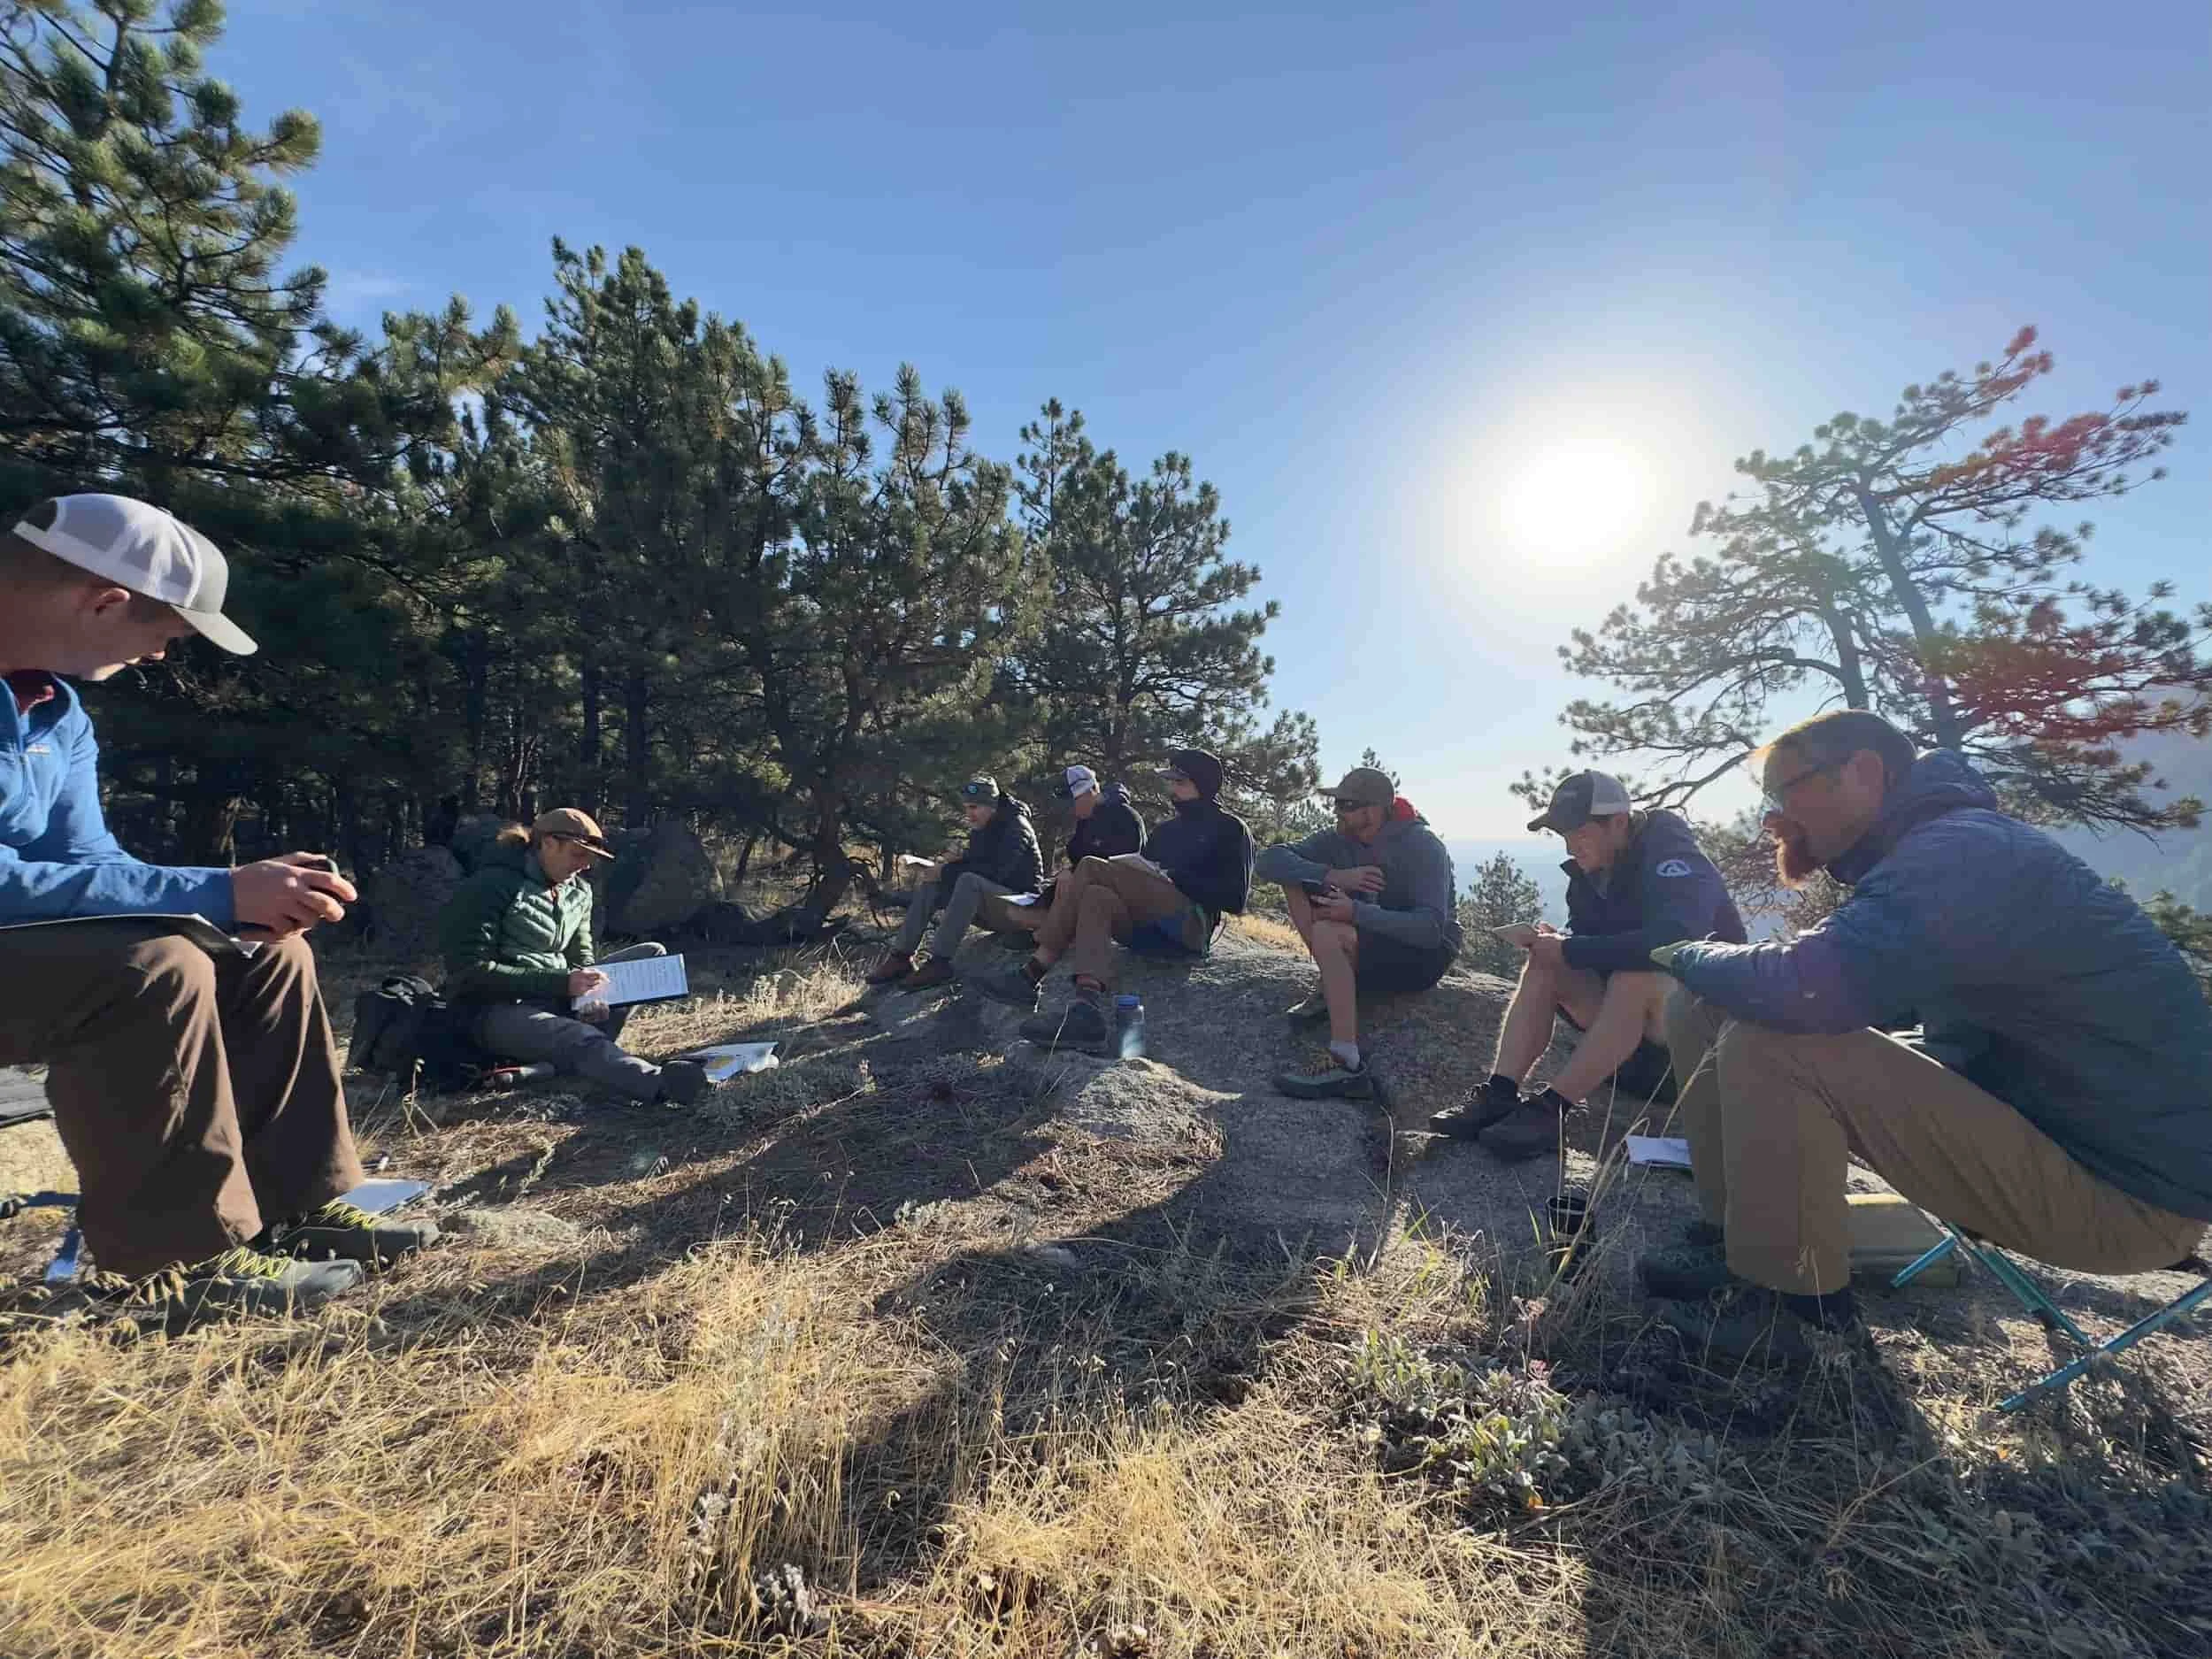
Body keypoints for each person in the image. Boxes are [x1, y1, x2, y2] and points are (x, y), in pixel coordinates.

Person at [1641, 710, 2212, 1362]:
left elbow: (1801, 985)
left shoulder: (1958, 852)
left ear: (1863, 772)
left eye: (1786, 790)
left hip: (2128, 1197)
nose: (1774, 817)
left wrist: (1687, 950)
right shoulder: (1946, 848)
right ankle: (1737, 1243)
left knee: (1776, 1041)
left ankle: (1799, 1328)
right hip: (2055, 1136)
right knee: (1702, 1007)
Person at [0, 494, 437, 1324]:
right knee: (150, 969)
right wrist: (214, 892)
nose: (167, 652)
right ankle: (175, 1260)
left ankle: (300, 1205)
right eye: (170, 630)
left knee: (264, 954)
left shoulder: (58, 709)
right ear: (105, 601)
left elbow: (89, 865)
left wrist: (236, 905)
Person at [1428, 769, 1744, 1159]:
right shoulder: (1591, 874)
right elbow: (1588, 940)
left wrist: (1572, 949)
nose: (1570, 846)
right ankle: (1500, 1093)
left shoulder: (1671, 854)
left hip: (1695, 1056)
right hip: (1630, 1051)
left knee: (1636, 976)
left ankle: (1552, 1110)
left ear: (1618, 822)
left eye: (1579, 832)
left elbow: (1675, 939)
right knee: (1546, 964)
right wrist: (1560, 942)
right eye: (1564, 835)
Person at [975, 748, 1254, 1051]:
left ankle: (1033, 971)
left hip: (1190, 927)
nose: (1172, 788)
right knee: (1097, 895)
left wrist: (1174, 877)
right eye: (1171, 781)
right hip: (1145, 931)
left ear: (1204, 784)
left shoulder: (1231, 829)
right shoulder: (1167, 831)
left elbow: (1235, 900)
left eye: (1180, 782)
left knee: (1092, 866)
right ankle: (1086, 1010)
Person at [438, 810, 709, 1103]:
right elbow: (470, 972)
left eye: (591, 858)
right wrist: (562, 984)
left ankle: (560, 1058)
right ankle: (661, 1085)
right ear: (548, 843)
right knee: (575, 1038)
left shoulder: (579, 892)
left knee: (651, 954)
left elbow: (581, 957)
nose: (586, 865)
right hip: (494, 1010)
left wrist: (590, 998)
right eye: (578, 854)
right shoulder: (490, 886)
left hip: (558, 999)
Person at [1256, 764, 1461, 1100]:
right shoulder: (1338, 838)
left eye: (1347, 806)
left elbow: (1430, 930)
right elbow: (1269, 861)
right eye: (1337, 804)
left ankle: (1346, 1062)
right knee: (1294, 882)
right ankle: (1334, 980)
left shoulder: (1423, 846)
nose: (1338, 811)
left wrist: (1356, 912)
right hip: (1371, 939)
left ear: (1375, 810)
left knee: (1329, 932)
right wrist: (1335, 875)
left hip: (1423, 955)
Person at [867, 777, 1044, 990]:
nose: (969, 814)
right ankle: (901, 957)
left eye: (974, 807)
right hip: (995, 905)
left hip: (1022, 912)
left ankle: (940, 963)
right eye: (967, 807)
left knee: (966, 880)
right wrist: (954, 862)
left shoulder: (1017, 826)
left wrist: (947, 870)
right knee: (933, 883)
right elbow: (978, 863)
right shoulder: (983, 826)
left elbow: (997, 872)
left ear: (991, 805)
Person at [995, 765, 1146, 946]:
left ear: (1091, 791)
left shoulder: (1126, 818)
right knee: (1014, 912)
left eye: (1074, 801)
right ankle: (1057, 925)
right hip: (1080, 893)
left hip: (1112, 900)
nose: (1071, 809)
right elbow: (1077, 858)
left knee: (1035, 909)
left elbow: (1121, 868)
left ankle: (1049, 934)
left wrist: (1073, 875)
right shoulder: (1086, 821)